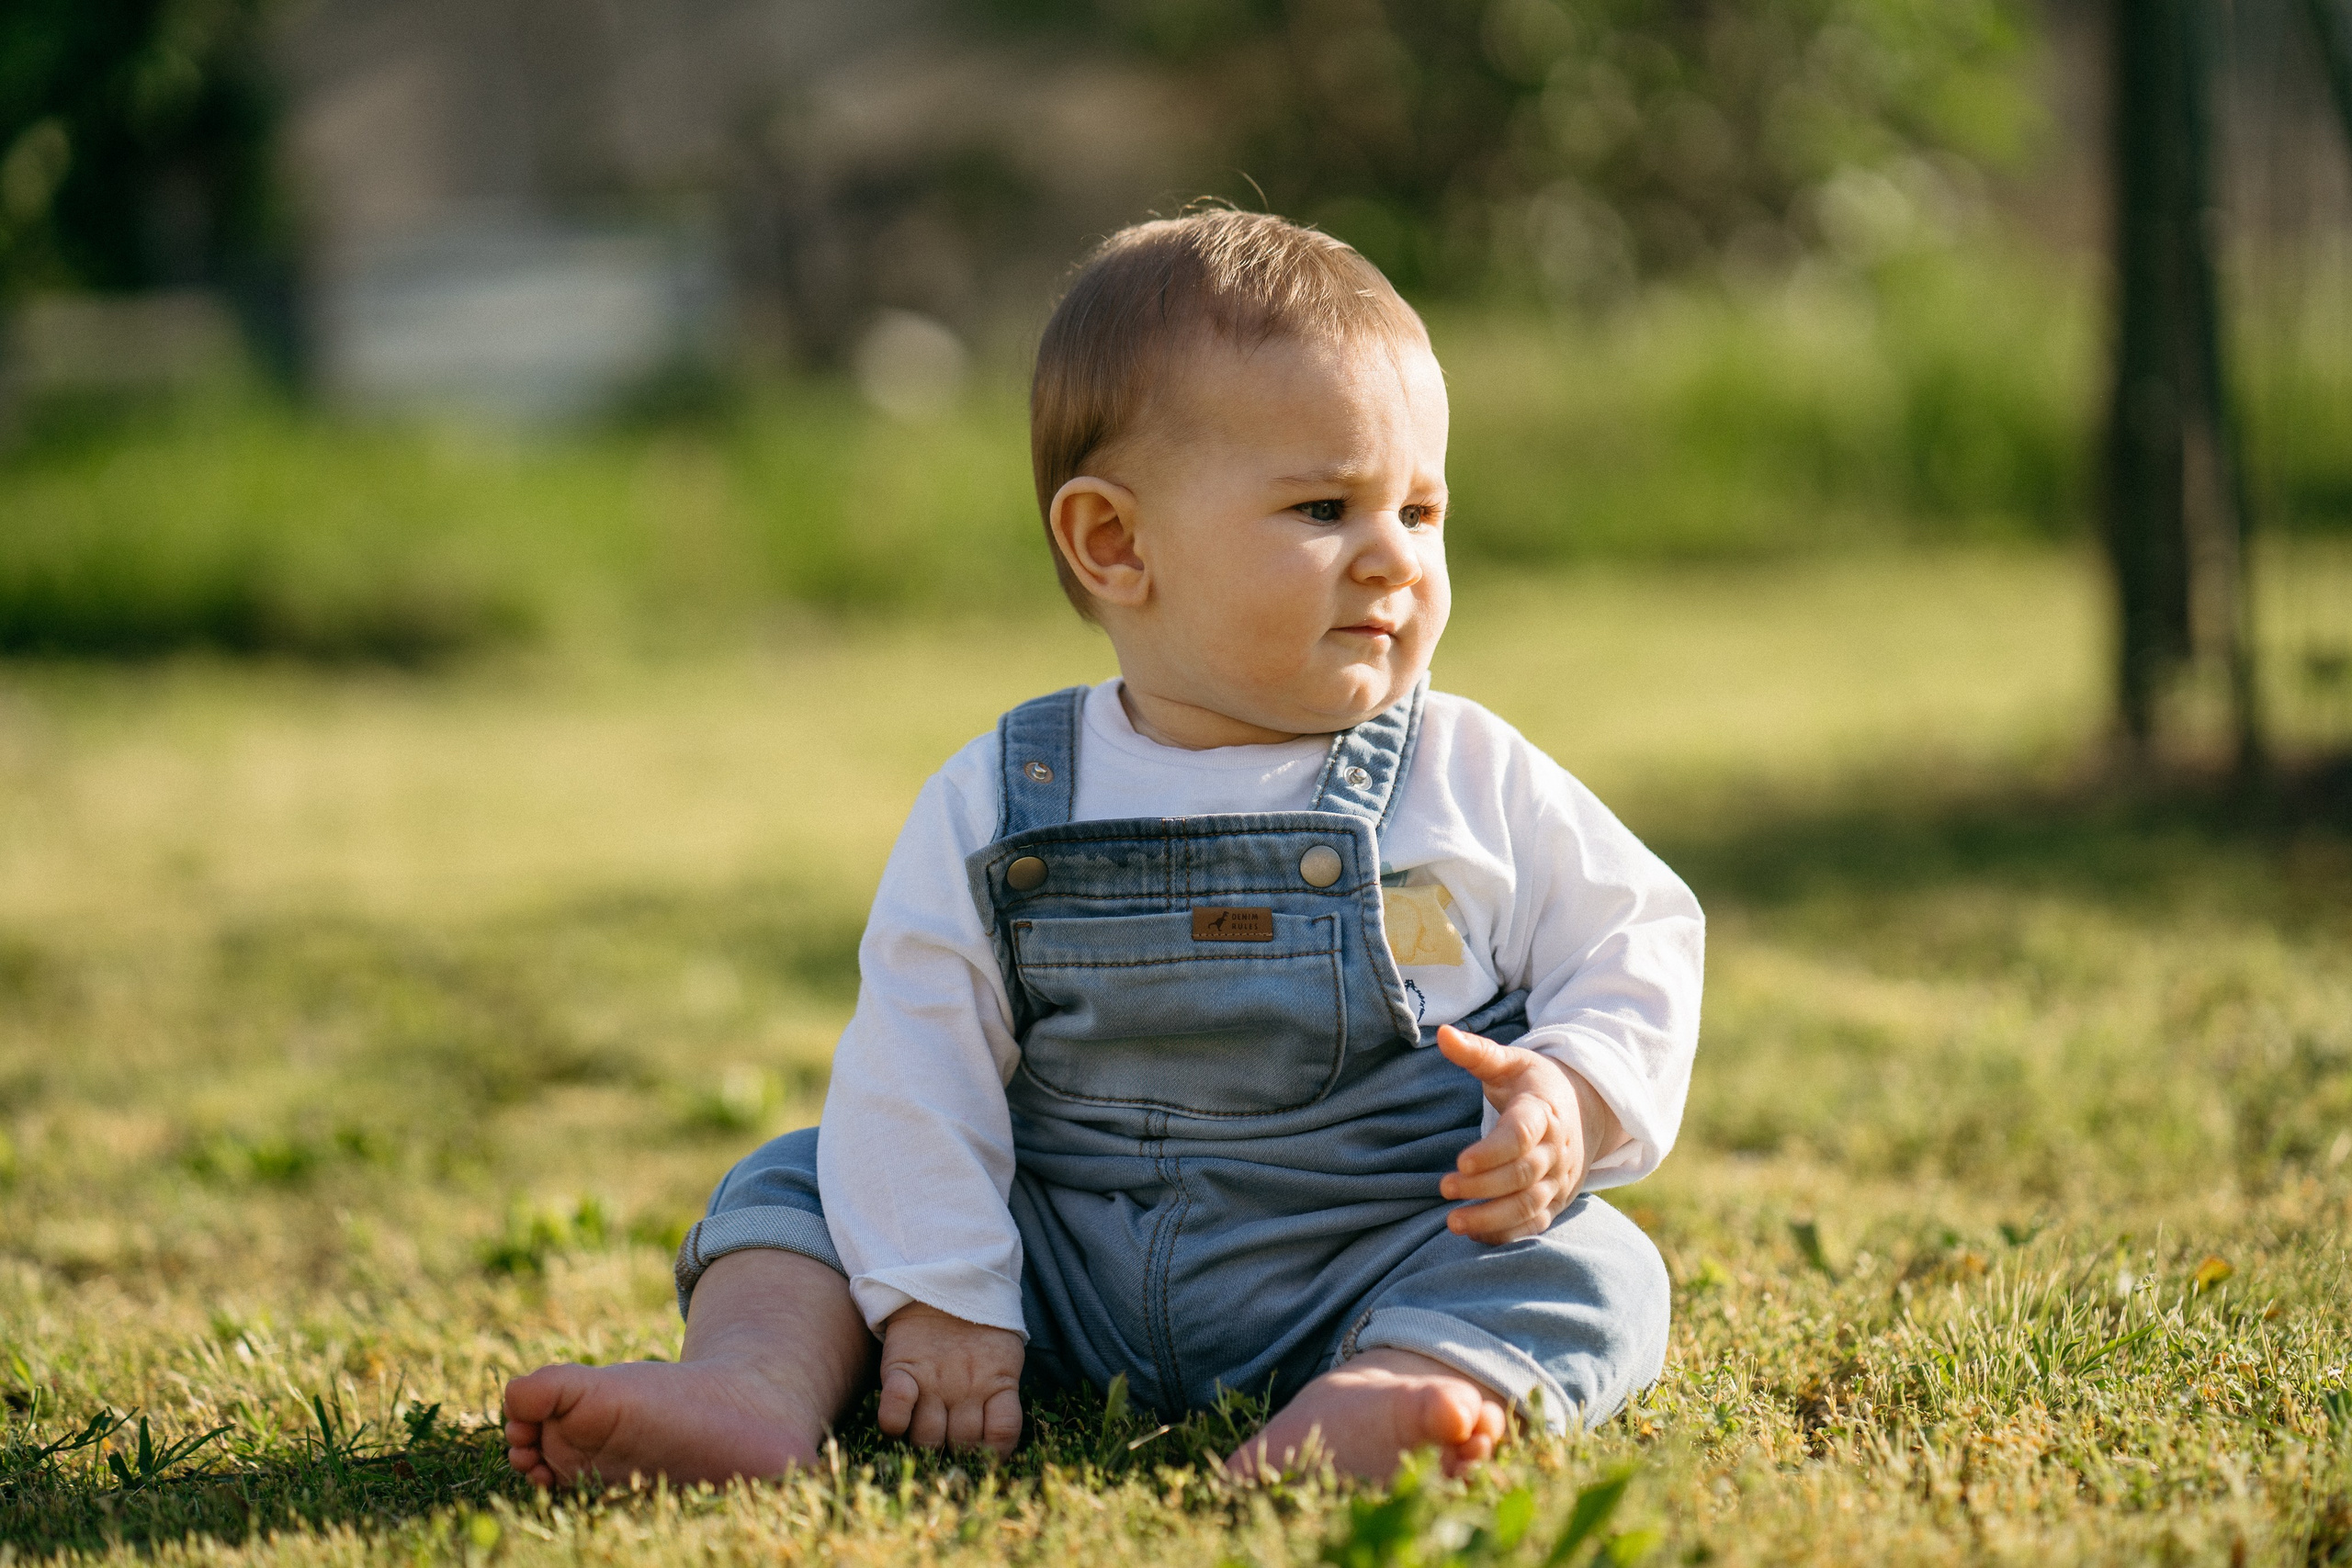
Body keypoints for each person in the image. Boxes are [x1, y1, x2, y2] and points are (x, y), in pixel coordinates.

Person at [503, 209, 1703, 1487]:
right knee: (803, 1185)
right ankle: (748, 1391)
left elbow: (1636, 939)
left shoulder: (1471, 774)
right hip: (1053, 1274)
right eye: (1323, 505)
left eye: (1421, 508)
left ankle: (1395, 1388)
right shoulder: (1005, 798)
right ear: (1115, 543)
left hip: (1377, 1248)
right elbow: (921, 1056)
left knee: (1599, 1264)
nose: (1392, 559)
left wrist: (1569, 1096)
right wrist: (947, 1297)